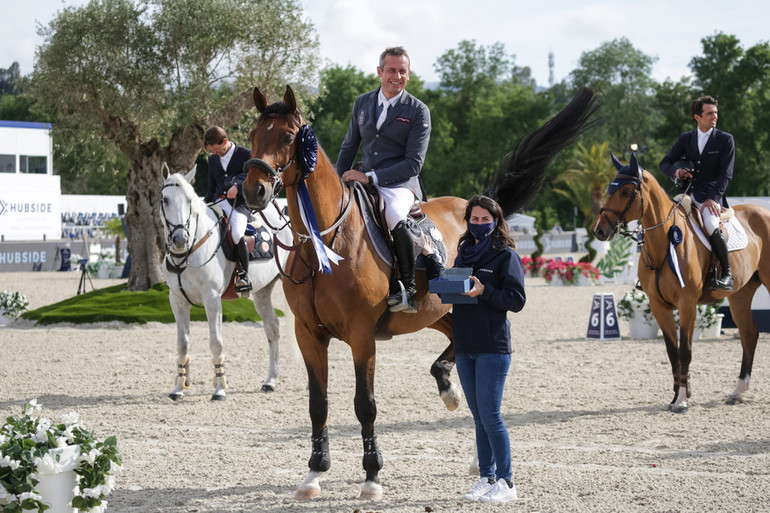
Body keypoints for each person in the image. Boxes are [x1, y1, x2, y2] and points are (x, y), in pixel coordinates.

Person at [424, 194, 525, 503]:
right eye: (475, 219)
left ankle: (507, 483)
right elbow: (446, 288)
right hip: (465, 346)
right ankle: (487, 477)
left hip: (493, 346)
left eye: (485, 219)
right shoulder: (464, 253)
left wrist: (486, 291)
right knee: (479, 418)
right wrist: (430, 259)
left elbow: (516, 300)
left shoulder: (505, 256)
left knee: (492, 416)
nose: (479, 224)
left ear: (496, 222)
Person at [336, 46, 431, 313]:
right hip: (361, 176)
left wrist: (369, 177)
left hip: (400, 184)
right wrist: (336, 182)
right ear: (380, 71)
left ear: (408, 74)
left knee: (393, 216)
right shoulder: (362, 103)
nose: (396, 76)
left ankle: (407, 289)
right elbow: (348, 146)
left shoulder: (418, 111)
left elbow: (414, 163)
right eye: (391, 70)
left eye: (402, 71)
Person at [660, 95, 735, 290]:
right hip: (686, 193)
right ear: (697, 117)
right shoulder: (687, 138)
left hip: (711, 195)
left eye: (715, 113)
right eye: (710, 113)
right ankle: (658, 270)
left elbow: (726, 174)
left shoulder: (725, 139)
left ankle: (727, 274)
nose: (714, 117)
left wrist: (713, 198)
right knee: (667, 220)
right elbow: (664, 163)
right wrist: (675, 171)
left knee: (710, 224)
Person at [203, 126, 254, 292]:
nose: (215, 153)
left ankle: (244, 274)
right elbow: (211, 188)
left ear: (225, 141)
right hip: (218, 202)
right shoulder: (212, 160)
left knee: (237, 233)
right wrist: (204, 206)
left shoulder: (245, 155)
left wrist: (238, 186)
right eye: (212, 151)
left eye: (217, 150)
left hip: (239, 205)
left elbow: (252, 178)